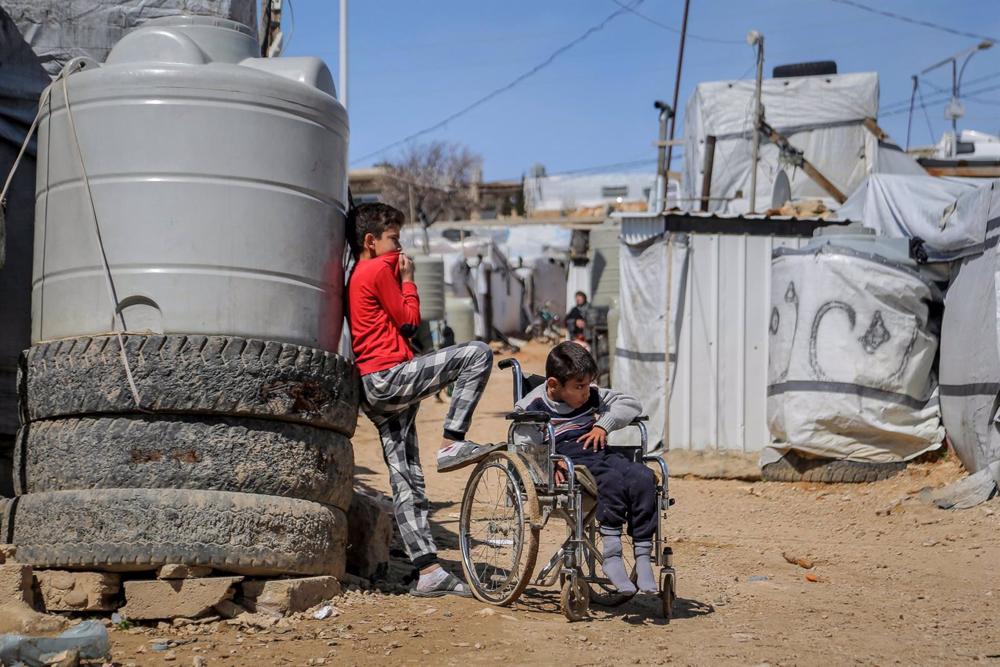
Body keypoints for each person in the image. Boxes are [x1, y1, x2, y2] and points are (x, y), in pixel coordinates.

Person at [346, 202, 500, 598]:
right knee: (476, 353)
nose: (400, 248)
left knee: (407, 478)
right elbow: (409, 320)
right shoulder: (378, 269)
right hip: (388, 378)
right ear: (370, 241)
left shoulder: (357, 273)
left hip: (374, 389)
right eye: (394, 239)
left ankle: (428, 571)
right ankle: (452, 441)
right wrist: (410, 280)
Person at [513, 342, 658, 595]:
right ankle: (612, 555)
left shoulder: (590, 394)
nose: (585, 392)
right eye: (579, 386)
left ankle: (644, 555)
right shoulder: (533, 406)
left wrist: (604, 424)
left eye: (588, 384)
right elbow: (523, 443)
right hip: (568, 458)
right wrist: (548, 461)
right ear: (553, 385)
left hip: (598, 451)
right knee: (611, 480)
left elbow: (632, 403)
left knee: (643, 476)